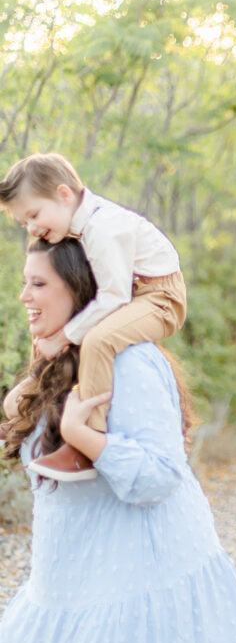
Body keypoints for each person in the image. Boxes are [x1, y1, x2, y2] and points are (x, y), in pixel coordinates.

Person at [0, 237, 236, 643]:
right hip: (69, 584)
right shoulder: (55, 360)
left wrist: (85, 436)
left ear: (84, 290)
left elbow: (160, 475)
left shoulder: (133, 362)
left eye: (39, 283)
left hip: (139, 581)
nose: (25, 296)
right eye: (25, 282)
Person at [0, 152, 187, 481]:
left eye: (34, 215)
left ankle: (85, 443)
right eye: (23, 222)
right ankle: (30, 410)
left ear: (63, 195)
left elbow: (114, 297)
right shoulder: (79, 226)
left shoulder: (103, 227)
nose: (31, 228)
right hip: (133, 292)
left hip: (159, 296)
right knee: (49, 325)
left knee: (98, 339)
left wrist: (64, 337)